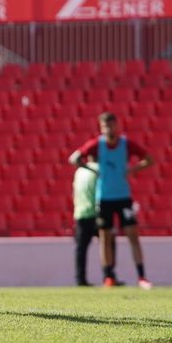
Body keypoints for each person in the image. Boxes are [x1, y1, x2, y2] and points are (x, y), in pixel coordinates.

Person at [70, 112, 153, 289]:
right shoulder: (97, 145)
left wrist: (132, 170)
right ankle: (108, 276)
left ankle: (141, 277)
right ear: (101, 128)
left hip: (123, 197)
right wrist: (93, 170)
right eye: (105, 127)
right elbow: (74, 158)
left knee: (133, 235)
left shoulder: (126, 144)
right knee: (104, 237)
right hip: (104, 198)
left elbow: (149, 159)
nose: (109, 129)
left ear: (117, 125)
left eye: (111, 125)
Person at [72, 159, 102, 287]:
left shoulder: (79, 171)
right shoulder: (99, 169)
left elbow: (75, 192)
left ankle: (80, 279)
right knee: (107, 243)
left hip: (81, 212)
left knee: (81, 249)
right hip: (95, 213)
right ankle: (109, 275)